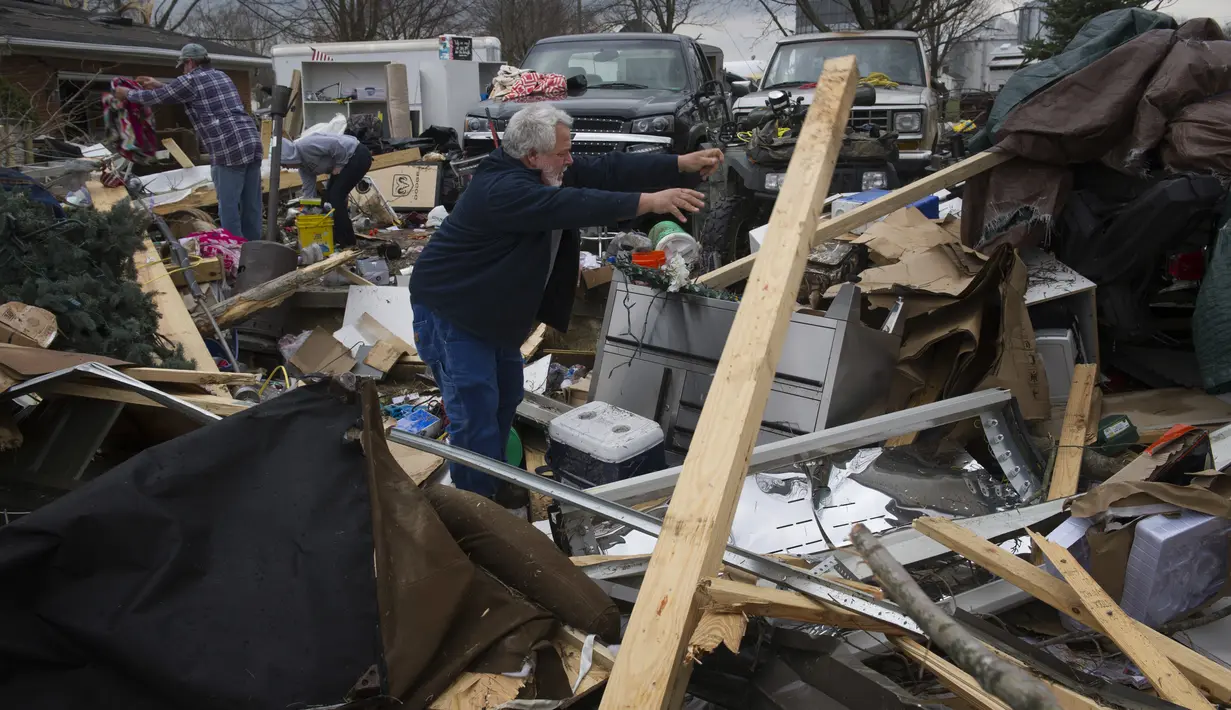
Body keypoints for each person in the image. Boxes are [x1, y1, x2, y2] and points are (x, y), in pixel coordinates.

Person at [409, 103, 722, 509]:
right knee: (474, 414)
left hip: (493, 312)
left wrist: (681, 163)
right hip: (453, 312)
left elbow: (608, 169)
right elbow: (575, 204)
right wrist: (650, 202)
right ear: (531, 155)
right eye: (563, 153)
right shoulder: (502, 190)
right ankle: (476, 511)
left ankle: (494, 485)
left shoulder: (542, 168)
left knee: (503, 401)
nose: (570, 159)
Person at [116, 44, 263, 241]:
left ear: (190, 62)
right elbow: (185, 93)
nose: (183, 71)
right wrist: (159, 85)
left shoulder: (191, 80)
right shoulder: (221, 76)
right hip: (250, 139)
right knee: (251, 203)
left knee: (228, 205)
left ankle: (236, 252)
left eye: (183, 66)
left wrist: (127, 94)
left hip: (228, 146)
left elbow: (157, 98)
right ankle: (256, 248)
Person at [277, 133, 373, 248]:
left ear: (289, 156)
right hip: (345, 163)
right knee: (329, 199)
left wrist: (339, 165)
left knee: (336, 197)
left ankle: (348, 242)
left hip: (356, 155)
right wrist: (307, 211)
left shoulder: (305, 146)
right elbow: (309, 191)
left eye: (284, 163)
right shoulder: (303, 168)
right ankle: (338, 239)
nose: (285, 167)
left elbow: (336, 144)